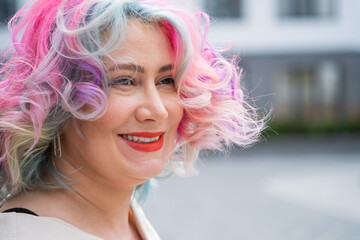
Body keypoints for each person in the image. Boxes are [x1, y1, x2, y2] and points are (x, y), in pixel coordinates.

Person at [0, 0, 265, 239]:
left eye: (166, 80)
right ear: (57, 100)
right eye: (124, 80)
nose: (157, 110)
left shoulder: (127, 217)